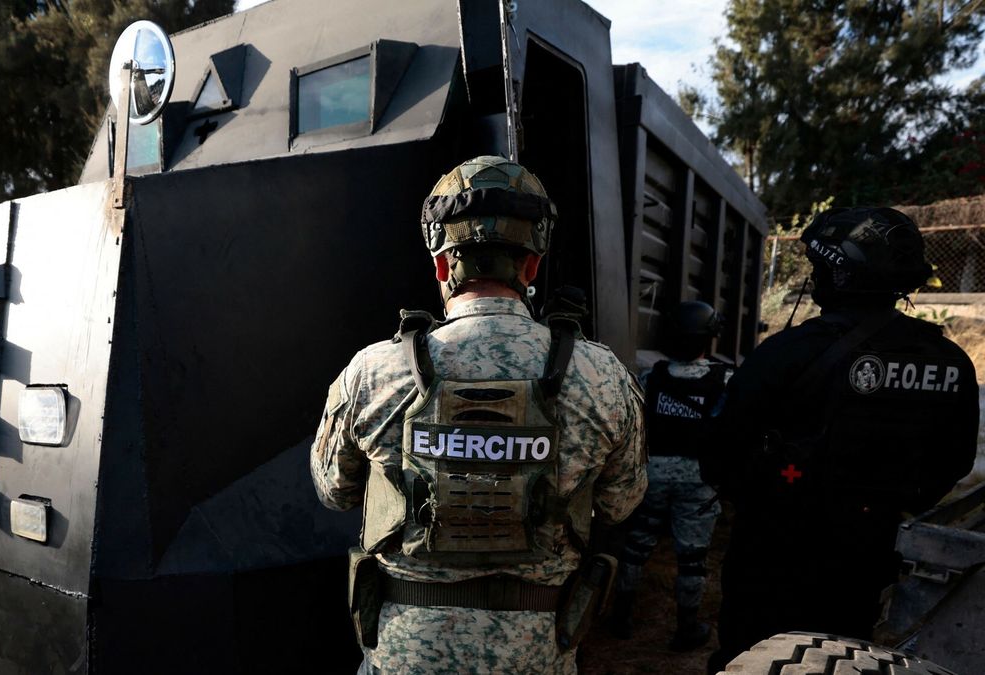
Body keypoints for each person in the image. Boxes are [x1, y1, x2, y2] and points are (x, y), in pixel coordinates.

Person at [310, 155, 648, 674]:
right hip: (536, 656)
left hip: (405, 656)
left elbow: (334, 492)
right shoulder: (602, 377)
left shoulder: (372, 372)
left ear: (442, 265)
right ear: (532, 265)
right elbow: (622, 503)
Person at [701, 207, 979, 672]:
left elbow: (720, 454)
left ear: (838, 271)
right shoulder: (949, 361)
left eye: (817, 268)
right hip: (865, 559)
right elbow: (952, 463)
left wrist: (769, 496)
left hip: (771, 557)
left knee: (749, 657)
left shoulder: (786, 353)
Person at [609, 301, 731, 651]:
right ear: (709, 338)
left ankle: (621, 616)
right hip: (699, 479)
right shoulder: (724, 380)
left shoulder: (653, 377)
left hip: (654, 475)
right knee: (692, 558)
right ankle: (686, 628)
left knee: (636, 547)